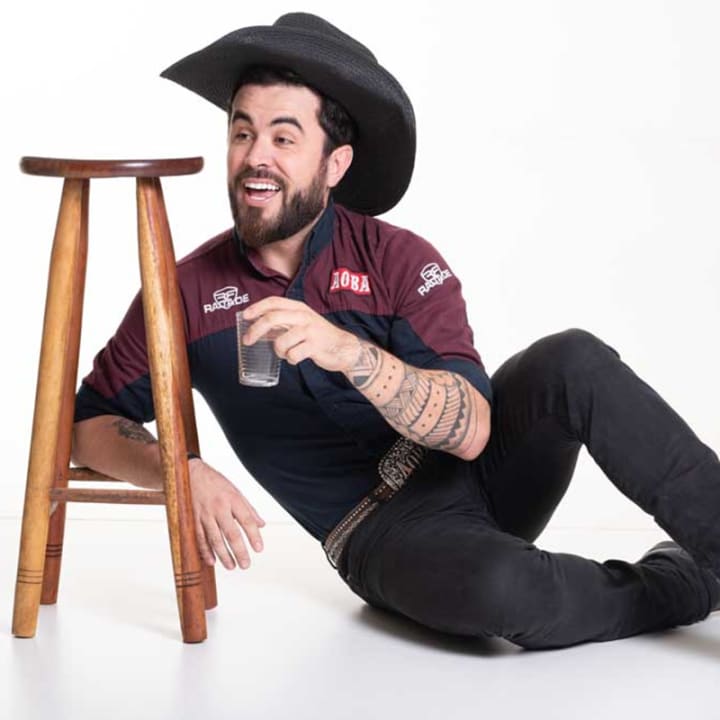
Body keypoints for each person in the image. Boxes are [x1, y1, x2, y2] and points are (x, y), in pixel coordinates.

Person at [72, 12, 720, 650]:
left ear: (335, 163)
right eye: (242, 133)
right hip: (381, 534)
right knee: (499, 587)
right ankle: (688, 581)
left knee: (572, 359)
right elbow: (86, 424)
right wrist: (179, 471)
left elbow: (473, 428)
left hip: (482, 474)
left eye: (283, 138)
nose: (254, 157)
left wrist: (349, 353)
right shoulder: (185, 293)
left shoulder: (397, 259)